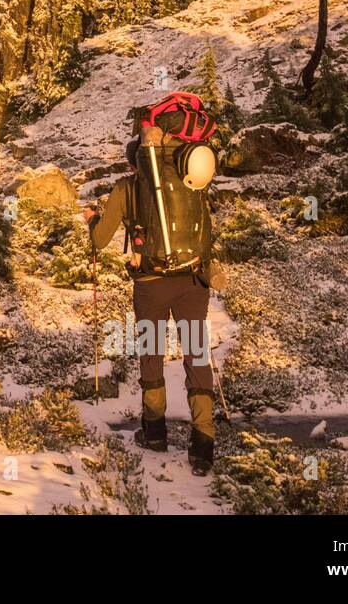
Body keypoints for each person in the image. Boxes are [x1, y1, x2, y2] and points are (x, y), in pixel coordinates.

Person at [83, 120, 218, 476]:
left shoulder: (127, 189)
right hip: (193, 281)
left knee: (152, 352)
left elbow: (99, 241)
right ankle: (203, 443)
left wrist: (91, 222)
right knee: (196, 352)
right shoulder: (190, 185)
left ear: (135, 163)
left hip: (151, 283)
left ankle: (155, 432)